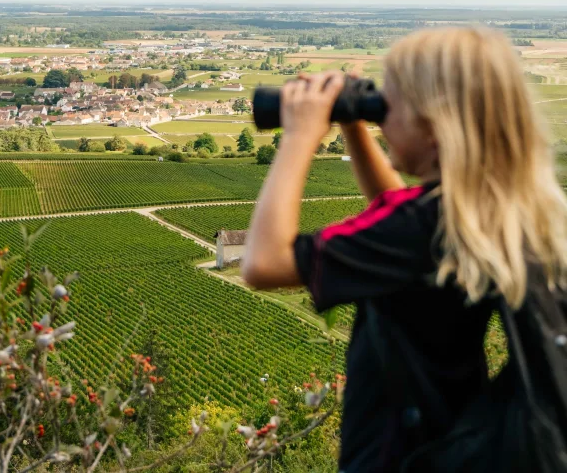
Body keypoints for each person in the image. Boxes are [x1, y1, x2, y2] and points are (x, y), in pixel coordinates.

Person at [242, 27, 567, 472]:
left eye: (388, 106)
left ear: (434, 126)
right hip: (450, 444)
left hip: (393, 457)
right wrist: (353, 126)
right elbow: (395, 209)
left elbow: (264, 263)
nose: (381, 117)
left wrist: (300, 136)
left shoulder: (423, 226)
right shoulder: (496, 209)